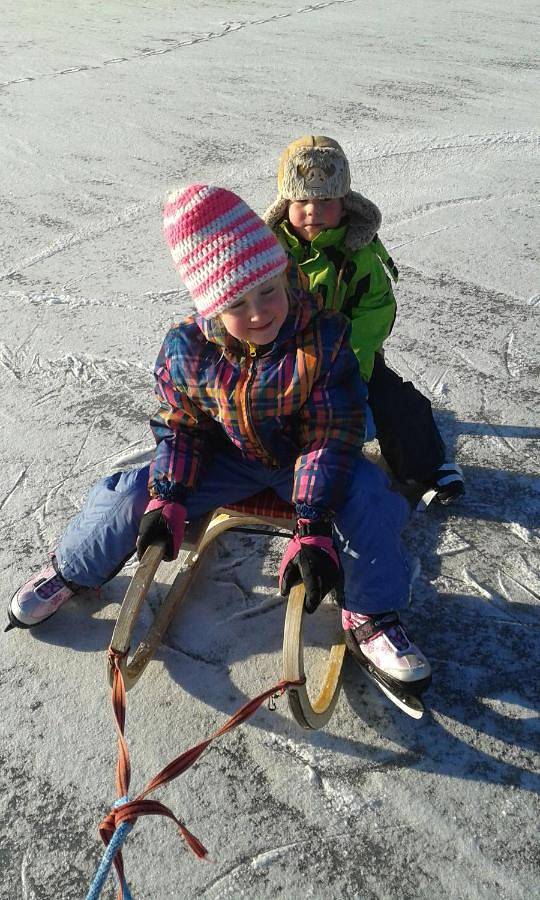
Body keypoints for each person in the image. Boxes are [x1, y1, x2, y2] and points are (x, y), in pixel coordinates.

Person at [7, 183, 431, 695]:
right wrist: (169, 497)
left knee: (369, 496)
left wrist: (314, 524)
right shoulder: (187, 348)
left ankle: (371, 613)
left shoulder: (324, 337)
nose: (259, 313)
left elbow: (329, 434)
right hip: (226, 459)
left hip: (306, 460)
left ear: (285, 275)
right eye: (237, 302)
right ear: (211, 308)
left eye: (268, 291)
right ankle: (75, 568)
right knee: (128, 494)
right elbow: (183, 428)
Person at [264, 135, 464, 504]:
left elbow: (376, 310)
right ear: (285, 204)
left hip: (352, 359)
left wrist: (345, 363)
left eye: (325, 200)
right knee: (247, 401)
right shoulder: (268, 255)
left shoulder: (360, 256)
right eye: (302, 201)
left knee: (397, 402)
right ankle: (239, 464)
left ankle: (427, 467)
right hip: (283, 360)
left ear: (344, 203)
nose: (312, 210)